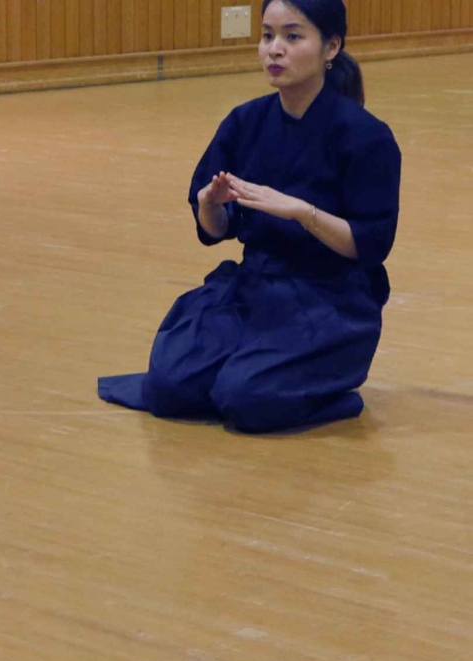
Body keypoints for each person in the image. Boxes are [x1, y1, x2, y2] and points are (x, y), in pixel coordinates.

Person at [97, 0, 401, 433]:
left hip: (331, 301)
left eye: (292, 36)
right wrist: (209, 206)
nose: (274, 49)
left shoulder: (366, 136)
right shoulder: (246, 121)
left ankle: (330, 389)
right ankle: (248, 369)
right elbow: (217, 229)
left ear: (331, 47)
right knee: (167, 387)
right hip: (255, 288)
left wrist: (302, 212)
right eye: (267, 36)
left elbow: (369, 243)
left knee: (245, 397)